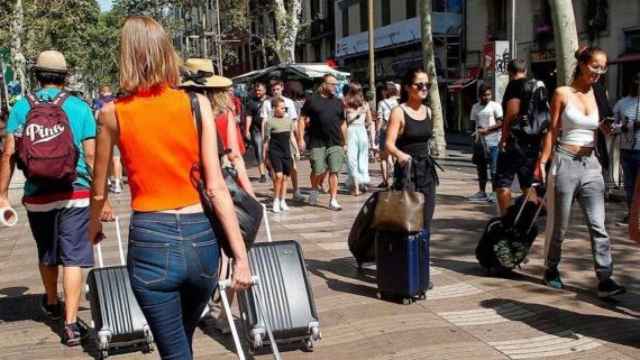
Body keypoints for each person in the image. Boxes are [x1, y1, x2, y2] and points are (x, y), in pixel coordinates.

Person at [88, 17, 252, 359]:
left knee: (174, 350)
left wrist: (92, 227)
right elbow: (217, 187)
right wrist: (240, 257)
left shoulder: (112, 113)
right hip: (202, 241)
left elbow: (99, 188)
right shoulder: (197, 104)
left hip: (151, 239)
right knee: (181, 342)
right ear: (166, 52)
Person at [0, 50, 105, 346]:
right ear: (65, 75)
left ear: (37, 74)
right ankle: (71, 325)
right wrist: (101, 195)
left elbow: (9, 153)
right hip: (76, 191)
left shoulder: (22, 106)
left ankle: (51, 301)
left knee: (47, 251)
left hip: (37, 193)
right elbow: (92, 154)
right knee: (74, 256)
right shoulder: (79, 107)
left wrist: (3, 195)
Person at [535, 46, 625, 298]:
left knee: (598, 225)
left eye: (603, 67)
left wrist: (611, 128)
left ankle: (605, 278)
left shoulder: (599, 92)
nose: (599, 72)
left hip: (591, 165)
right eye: (595, 66)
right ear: (583, 64)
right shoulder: (562, 93)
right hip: (565, 162)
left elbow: (601, 128)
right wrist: (542, 162)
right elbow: (552, 131)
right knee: (559, 226)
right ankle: (551, 268)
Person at [385, 67, 438, 232]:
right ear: (407, 87)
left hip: (427, 171)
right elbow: (388, 144)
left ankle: (423, 256)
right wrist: (400, 155)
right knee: (409, 222)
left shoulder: (428, 111)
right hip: (408, 172)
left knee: (426, 221)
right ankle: (408, 257)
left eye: (427, 85)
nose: (424, 88)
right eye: (419, 85)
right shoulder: (399, 112)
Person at [496, 59, 539, 215]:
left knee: (503, 184)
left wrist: (504, 138)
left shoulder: (514, 85)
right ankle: (528, 220)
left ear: (509, 72)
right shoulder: (535, 85)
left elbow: (512, 112)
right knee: (527, 184)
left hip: (515, 142)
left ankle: (506, 221)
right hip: (532, 141)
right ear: (525, 70)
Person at [298, 74, 347, 211]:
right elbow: (302, 119)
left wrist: (346, 141)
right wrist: (301, 138)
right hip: (316, 141)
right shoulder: (312, 100)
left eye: (336, 85)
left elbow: (343, 123)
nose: (335, 87)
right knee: (318, 169)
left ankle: (333, 200)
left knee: (334, 170)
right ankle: (314, 189)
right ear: (324, 84)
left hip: (335, 142)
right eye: (332, 84)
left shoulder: (338, 102)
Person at [261, 79, 305, 202]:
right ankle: (278, 195)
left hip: (286, 136)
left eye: (278, 89)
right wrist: (264, 141)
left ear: (282, 88)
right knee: (276, 171)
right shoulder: (267, 103)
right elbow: (264, 122)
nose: (275, 92)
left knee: (293, 166)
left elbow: (294, 122)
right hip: (273, 138)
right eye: (273, 90)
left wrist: (299, 138)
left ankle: (296, 190)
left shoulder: (289, 103)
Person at [469, 84, 503, 203]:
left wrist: (487, 130)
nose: (487, 97)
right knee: (481, 168)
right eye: (485, 95)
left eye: (489, 94)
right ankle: (482, 192)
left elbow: (500, 123)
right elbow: (472, 123)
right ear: (480, 96)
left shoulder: (495, 106)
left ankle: (494, 193)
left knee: (494, 169)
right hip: (480, 143)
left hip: (494, 142)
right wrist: (474, 134)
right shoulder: (475, 107)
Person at [613, 73, 640, 223]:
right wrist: (624, 127)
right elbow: (611, 125)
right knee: (629, 185)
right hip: (626, 150)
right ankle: (632, 214)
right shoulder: (622, 103)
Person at [263, 97, 296, 212]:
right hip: (274, 151)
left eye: (284, 108)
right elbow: (266, 140)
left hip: (286, 151)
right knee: (278, 176)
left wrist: (296, 150)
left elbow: (291, 136)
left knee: (286, 178)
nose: (284, 110)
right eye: (281, 108)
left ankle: (283, 200)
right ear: (274, 109)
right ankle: (276, 200)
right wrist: (264, 155)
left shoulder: (289, 121)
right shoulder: (269, 122)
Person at [344, 81, 375, 196]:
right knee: (356, 158)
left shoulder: (360, 104)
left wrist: (372, 140)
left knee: (357, 159)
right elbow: (369, 123)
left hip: (356, 131)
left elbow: (369, 122)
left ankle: (359, 185)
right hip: (356, 131)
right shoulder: (352, 104)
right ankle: (358, 185)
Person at [94, 85, 123, 194]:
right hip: (116, 133)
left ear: (101, 92)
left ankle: (108, 181)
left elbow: (96, 117)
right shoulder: (116, 102)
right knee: (116, 159)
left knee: (104, 159)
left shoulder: (99, 102)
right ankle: (117, 183)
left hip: (104, 134)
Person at [376, 82, 400, 188]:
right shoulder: (397, 103)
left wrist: (377, 131)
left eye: (383, 90)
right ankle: (396, 180)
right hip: (396, 131)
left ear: (386, 91)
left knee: (384, 158)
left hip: (385, 131)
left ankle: (385, 181)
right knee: (395, 156)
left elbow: (380, 118)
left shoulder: (381, 103)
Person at [245, 82, 269, 182]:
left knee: (269, 151)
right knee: (259, 151)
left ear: (265, 90)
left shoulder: (271, 100)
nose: (257, 92)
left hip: (269, 129)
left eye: (259, 90)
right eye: (256, 90)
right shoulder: (251, 102)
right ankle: (262, 174)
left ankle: (270, 169)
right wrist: (247, 130)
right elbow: (249, 117)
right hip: (257, 130)